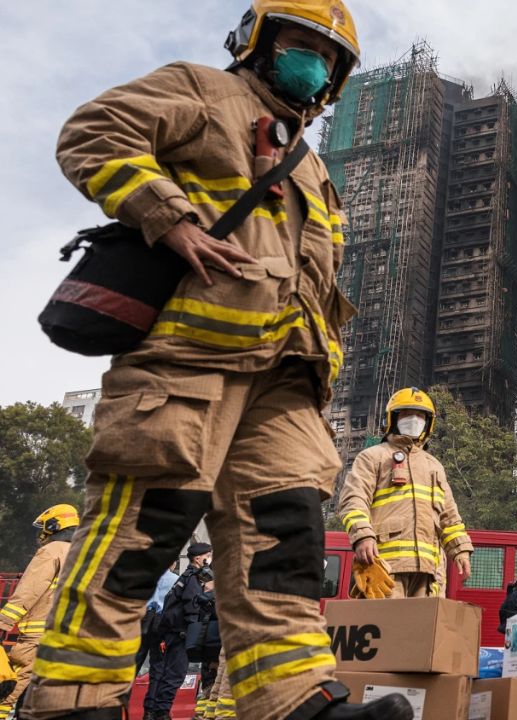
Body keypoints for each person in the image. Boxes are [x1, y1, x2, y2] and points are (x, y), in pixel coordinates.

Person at [33, 2, 412, 716]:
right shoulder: (205, 92)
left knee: (288, 540)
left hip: (286, 382)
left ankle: (293, 699)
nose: (316, 66)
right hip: (189, 362)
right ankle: (72, 699)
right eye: (303, 46)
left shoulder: (314, 166)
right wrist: (167, 215)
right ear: (258, 43)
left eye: (330, 60)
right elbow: (93, 130)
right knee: (145, 529)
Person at [338, 387, 473, 598]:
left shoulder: (434, 466)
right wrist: (362, 535)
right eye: (407, 414)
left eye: (420, 416)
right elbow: (353, 500)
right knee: (386, 628)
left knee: (424, 630)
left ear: (429, 423)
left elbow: (449, 516)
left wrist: (460, 549)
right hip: (385, 566)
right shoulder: (373, 457)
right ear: (393, 419)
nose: (414, 419)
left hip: (429, 572)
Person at [0, 506, 78, 718]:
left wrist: (3, 623)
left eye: (44, 528)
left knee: (10, 685)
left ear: (54, 525)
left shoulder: (52, 551)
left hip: (41, 633)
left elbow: (28, 592)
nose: (41, 533)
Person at [144, 543, 212, 720]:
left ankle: (157, 710)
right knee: (176, 674)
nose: (210, 558)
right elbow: (192, 606)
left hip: (171, 631)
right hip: (181, 633)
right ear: (199, 558)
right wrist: (194, 629)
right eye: (209, 555)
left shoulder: (185, 577)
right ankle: (162, 712)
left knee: (165, 672)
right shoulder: (192, 578)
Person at [135, 563, 180, 674]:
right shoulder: (176, 579)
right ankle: (154, 689)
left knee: (137, 656)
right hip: (162, 620)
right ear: (172, 564)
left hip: (144, 618)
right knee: (158, 660)